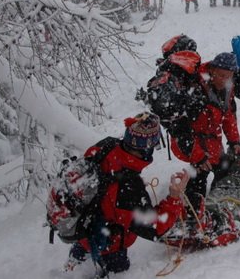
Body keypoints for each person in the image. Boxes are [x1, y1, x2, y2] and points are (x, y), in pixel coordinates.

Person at [65, 113, 189, 277]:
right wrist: (174, 197)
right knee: (116, 271)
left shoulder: (108, 145)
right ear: (147, 147)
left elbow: (101, 174)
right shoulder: (130, 188)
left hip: (83, 223)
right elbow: (154, 228)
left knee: (83, 249)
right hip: (109, 244)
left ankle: (72, 266)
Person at [170, 52, 240, 209]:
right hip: (193, 142)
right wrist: (198, 157)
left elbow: (228, 117)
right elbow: (182, 130)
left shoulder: (227, 90)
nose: (224, 80)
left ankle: (215, 205)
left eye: (228, 76)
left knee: (225, 169)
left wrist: (234, 141)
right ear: (213, 71)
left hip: (212, 141)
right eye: (221, 75)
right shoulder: (194, 89)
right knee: (199, 177)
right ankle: (193, 214)